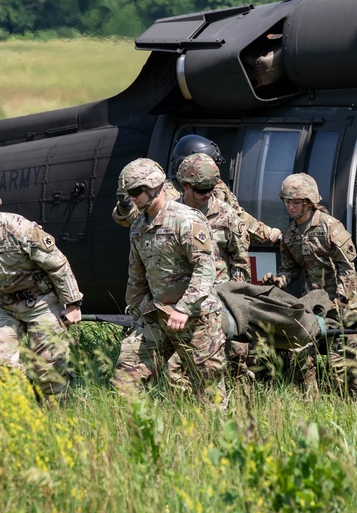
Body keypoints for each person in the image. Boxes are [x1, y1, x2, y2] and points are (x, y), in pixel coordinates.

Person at [0, 177, 84, 398]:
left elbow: (57, 264)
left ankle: (57, 413)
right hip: (5, 307)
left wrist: (72, 304)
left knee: (49, 369)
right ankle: (28, 398)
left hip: (41, 302)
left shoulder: (20, 229)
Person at [111, 158, 227, 398]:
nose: (132, 198)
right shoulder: (139, 225)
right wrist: (137, 309)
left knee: (209, 393)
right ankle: (138, 431)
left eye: (135, 192)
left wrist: (184, 309)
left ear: (154, 187)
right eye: (128, 193)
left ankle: (215, 434)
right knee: (126, 376)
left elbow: (205, 269)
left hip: (196, 319)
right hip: (157, 315)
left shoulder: (186, 220)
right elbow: (137, 272)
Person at [262, 173, 357, 389]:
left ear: (309, 203)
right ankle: (311, 403)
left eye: (296, 202)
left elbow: (347, 268)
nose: (290, 207)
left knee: (344, 365)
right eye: (287, 202)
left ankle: (355, 404)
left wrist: (342, 299)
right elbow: (290, 269)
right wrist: (279, 280)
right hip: (314, 302)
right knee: (301, 356)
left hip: (343, 303)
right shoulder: (290, 234)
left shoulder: (330, 227)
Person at [112, 134, 282, 245]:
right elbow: (133, 218)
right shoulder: (164, 194)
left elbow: (237, 216)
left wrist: (271, 235)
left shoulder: (217, 188)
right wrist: (125, 205)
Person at [177, 152, 251, 283]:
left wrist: (236, 293)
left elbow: (240, 259)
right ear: (186, 186)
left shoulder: (226, 214)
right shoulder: (171, 214)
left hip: (216, 293)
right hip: (181, 294)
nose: (207, 194)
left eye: (211, 188)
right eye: (201, 190)